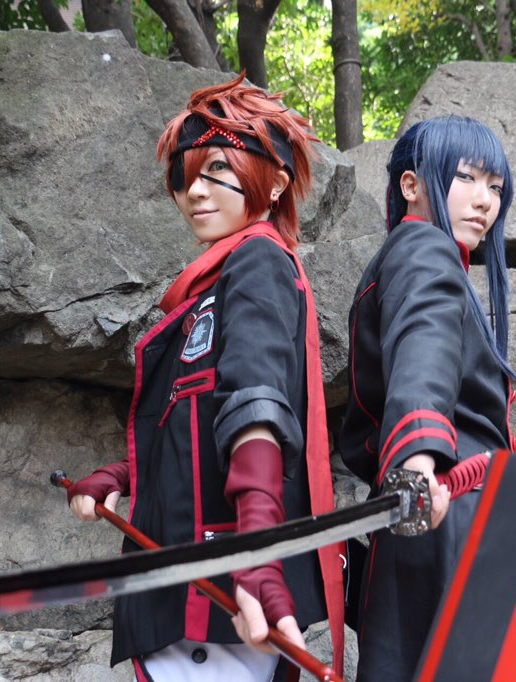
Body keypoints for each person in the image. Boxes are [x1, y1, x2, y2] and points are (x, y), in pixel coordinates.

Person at [66, 74, 344, 681]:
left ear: (274, 183)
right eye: (185, 174)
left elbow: (255, 404)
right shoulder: (206, 294)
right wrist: (123, 476)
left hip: (221, 600)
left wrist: (257, 555)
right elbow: (197, 427)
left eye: (218, 169)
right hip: (186, 596)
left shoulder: (259, 260)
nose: (194, 190)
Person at [338, 115, 516, 682]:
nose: (485, 200)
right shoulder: (423, 246)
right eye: (466, 177)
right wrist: (417, 465)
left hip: (429, 511)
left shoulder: (414, 258)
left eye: (495, 187)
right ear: (411, 185)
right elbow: (426, 344)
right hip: (439, 509)